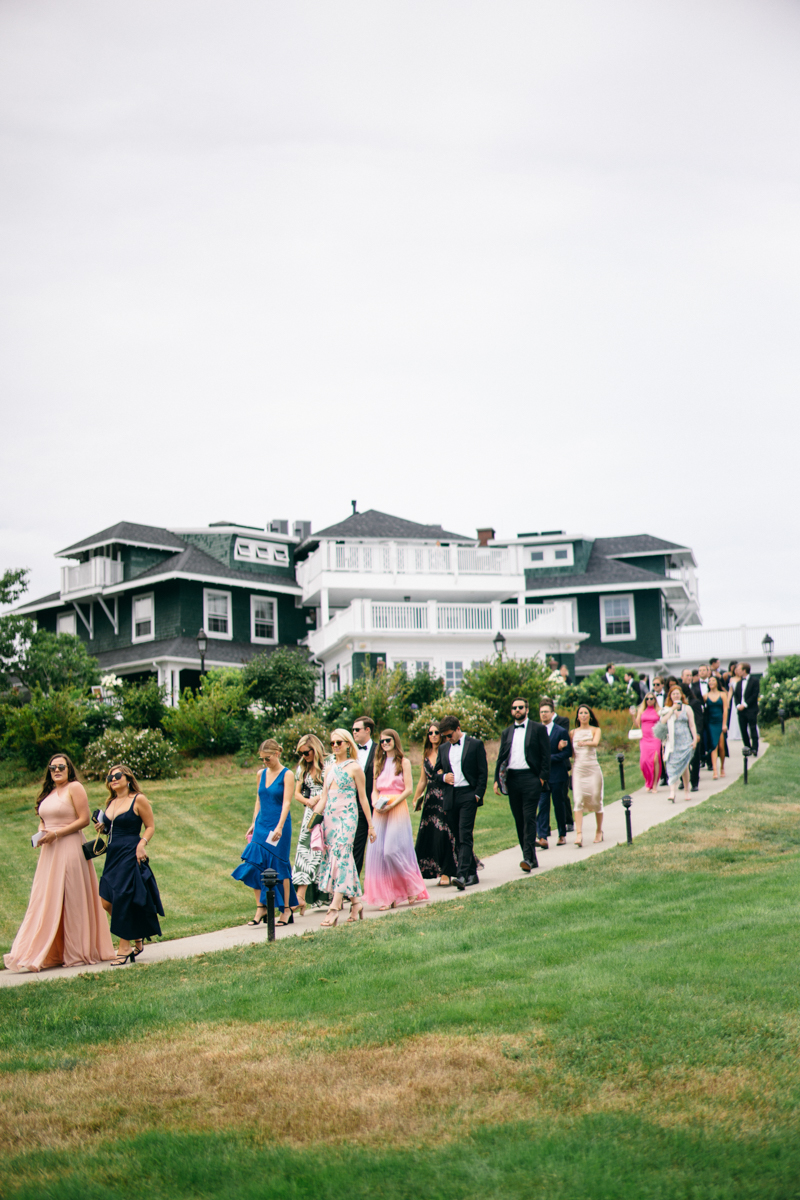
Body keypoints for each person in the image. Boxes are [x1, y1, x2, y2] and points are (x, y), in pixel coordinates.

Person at [4, 754, 115, 973]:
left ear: (68, 768)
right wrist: (41, 833)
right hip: (49, 852)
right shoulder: (49, 793)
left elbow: (83, 820)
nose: (56, 770)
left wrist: (55, 835)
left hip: (70, 846)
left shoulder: (75, 787)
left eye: (61, 767)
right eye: (52, 767)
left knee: (71, 896)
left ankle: (77, 950)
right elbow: (43, 819)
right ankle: (48, 950)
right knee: (45, 898)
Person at [96, 763, 164, 965]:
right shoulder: (111, 802)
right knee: (106, 900)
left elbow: (150, 826)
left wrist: (142, 844)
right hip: (113, 855)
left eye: (117, 775)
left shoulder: (138, 799)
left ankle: (124, 948)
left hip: (130, 853)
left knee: (122, 899)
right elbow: (112, 829)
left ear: (127, 778)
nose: (113, 779)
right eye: (110, 777)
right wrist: (103, 826)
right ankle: (136, 936)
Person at [232, 739, 298, 927]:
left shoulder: (288, 774)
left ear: (277, 754)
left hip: (279, 825)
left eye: (267, 758)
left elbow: (286, 803)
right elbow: (258, 799)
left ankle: (286, 910)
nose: (265, 762)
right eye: (262, 759)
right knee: (253, 864)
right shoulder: (261, 774)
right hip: (262, 824)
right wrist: (253, 822)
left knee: (280, 866)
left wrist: (279, 826)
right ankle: (261, 907)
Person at [313, 729, 375, 925]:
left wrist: (371, 826)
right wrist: (313, 821)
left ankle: (334, 907)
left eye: (339, 742)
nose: (335, 746)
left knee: (342, 854)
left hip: (348, 816)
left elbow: (363, 798)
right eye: (332, 743)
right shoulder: (329, 769)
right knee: (342, 858)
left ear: (348, 744)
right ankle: (356, 903)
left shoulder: (355, 767)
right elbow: (324, 797)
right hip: (330, 818)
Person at [364, 729, 429, 910]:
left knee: (391, 851)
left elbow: (408, 789)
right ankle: (388, 895)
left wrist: (393, 805)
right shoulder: (379, 762)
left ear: (395, 741)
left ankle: (412, 886)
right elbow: (374, 788)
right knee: (378, 853)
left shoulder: (404, 762)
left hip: (397, 806)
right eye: (382, 741)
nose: (385, 743)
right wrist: (375, 802)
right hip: (380, 808)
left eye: (388, 740)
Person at [493, 698, 549, 871]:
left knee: (529, 817)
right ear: (511, 711)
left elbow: (546, 756)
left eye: (520, 707)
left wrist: (541, 778)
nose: (517, 710)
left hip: (531, 778)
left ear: (527, 709)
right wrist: (497, 779)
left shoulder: (538, 729)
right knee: (519, 819)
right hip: (513, 779)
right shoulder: (506, 732)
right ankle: (532, 858)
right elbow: (502, 757)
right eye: (514, 708)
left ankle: (527, 858)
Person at [438, 715, 488, 889]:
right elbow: (436, 772)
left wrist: (477, 795)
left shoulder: (475, 744)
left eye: (449, 735)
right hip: (451, 795)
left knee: (464, 834)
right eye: (444, 736)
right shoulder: (444, 748)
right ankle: (472, 873)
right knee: (457, 836)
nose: (447, 739)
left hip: (468, 794)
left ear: (458, 729)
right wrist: (443, 777)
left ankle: (461, 874)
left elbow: (483, 772)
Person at [413, 721, 460, 885]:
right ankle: (430, 871)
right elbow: (422, 780)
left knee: (444, 834)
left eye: (436, 732)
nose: (433, 735)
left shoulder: (447, 750)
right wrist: (416, 798)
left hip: (444, 796)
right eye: (430, 733)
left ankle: (446, 872)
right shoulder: (426, 754)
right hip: (430, 800)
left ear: (441, 734)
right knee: (430, 835)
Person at [291, 735, 330, 913]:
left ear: (315, 749)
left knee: (325, 853)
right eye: (301, 753)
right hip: (311, 812)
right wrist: (308, 801)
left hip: (328, 809)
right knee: (305, 850)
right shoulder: (303, 767)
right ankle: (300, 896)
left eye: (306, 752)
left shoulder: (329, 763)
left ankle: (331, 893)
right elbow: (297, 794)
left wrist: (321, 799)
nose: (304, 755)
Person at [537, 698, 572, 846]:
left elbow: (567, 753)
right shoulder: (536, 730)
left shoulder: (561, 731)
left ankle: (562, 834)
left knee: (559, 804)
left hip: (558, 773)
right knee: (543, 805)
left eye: (546, 712)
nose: (544, 714)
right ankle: (543, 836)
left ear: (552, 713)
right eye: (541, 712)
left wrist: (550, 758)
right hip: (542, 776)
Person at [570, 705, 604, 846]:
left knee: (596, 799)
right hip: (578, 769)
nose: (583, 715)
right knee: (578, 799)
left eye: (586, 713)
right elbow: (572, 753)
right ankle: (579, 834)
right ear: (577, 717)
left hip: (593, 769)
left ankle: (599, 830)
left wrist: (585, 743)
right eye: (581, 713)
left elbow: (595, 743)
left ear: (590, 716)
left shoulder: (596, 730)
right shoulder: (572, 733)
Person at [661, 685, 700, 802]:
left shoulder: (687, 708)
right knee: (671, 765)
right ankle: (672, 792)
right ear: (670, 696)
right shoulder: (667, 709)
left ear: (681, 695)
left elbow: (692, 725)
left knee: (684, 767)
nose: (676, 696)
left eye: (677, 693)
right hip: (672, 741)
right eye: (673, 694)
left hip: (685, 740)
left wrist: (694, 739)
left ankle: (687, 790)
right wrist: (672, 709)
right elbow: (662, 722)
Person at [351, 716, 377, 875]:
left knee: (380, 848)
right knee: (356, 846)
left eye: (357, 729)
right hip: (355, 805)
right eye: (352, 730)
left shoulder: (379, 749)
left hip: (376, 803)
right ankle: (351, 887)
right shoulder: (350, 751)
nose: (354, 732)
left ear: (367, 730)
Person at [681, 667, 706, 792]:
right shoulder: (678, 705)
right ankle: (684, 780)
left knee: (695, 759)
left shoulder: (694, 703)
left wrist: (697, 733)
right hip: (682, 735)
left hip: (693, 734)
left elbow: (699, 720)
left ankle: (695, 782)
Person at [634, 693, 662, 791]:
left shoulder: (659, 710)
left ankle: (654, 784)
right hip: (645, 738)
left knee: (655, 759)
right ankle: (648, 781)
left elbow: (663, 722)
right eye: (647, 699)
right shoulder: (641, 710)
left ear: (655, 700)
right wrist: (632, 715)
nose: (649, 700)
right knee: (644, 761)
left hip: (655, 737)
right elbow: (637, 724)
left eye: (651, 698)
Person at [703, 674, 728, 778]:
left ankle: (722, 766)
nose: (711, 683)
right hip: (710, 723)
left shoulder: (722, 694)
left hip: (719, 721)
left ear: (717, 682)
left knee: (721, 747)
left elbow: (725, 709)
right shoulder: (705, 696)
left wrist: (724, 724)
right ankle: (715, 770)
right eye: (710, 681)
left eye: (713, 681)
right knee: (714, 746)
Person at [734, 663, 760, 756]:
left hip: (751, 709)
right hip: (741, 710)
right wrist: (738, 705)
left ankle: (755, 748)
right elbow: (736, 696)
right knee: (743, 729)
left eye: (739, 669)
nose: (737, 671)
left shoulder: (754, 681)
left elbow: (754, 694)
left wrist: (745, 704)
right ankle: (747, 747)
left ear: (744, 670)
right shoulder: (738, 683)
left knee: (753, 728)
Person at [726, 663, 744, 744]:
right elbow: (730, 691)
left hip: (742, 698)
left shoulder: (743, 679)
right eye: (735, 670)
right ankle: (735, 733)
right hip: (735, 700)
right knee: (735, 716)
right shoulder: (732, 679)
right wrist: (728, 701)